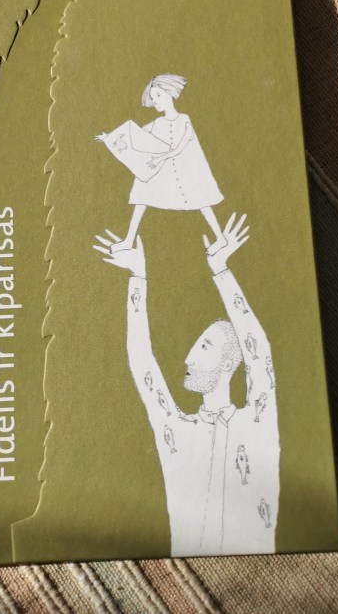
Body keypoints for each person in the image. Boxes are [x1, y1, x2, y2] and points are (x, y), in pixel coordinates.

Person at [94, 213, 280, 556]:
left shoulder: (256, 421)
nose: (189, 358)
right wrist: (137, 277)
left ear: (229, 363)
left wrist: (221, 271)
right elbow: (142, 362)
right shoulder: (177, 432)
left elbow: (259, 353)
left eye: (205, 347)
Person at [96, 74, 225, 254]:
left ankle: (221, 238)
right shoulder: (157, 123)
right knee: (141, 192)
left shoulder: (184, 119)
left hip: (184, 170)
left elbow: (180, 147)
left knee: (201, 199)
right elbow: (135, 135)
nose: (155, 100)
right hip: (164, 171)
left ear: (169, 93)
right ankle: (128, 240)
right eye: (152, 97)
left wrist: (159, 158)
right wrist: (110, 137)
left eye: (158, 95)